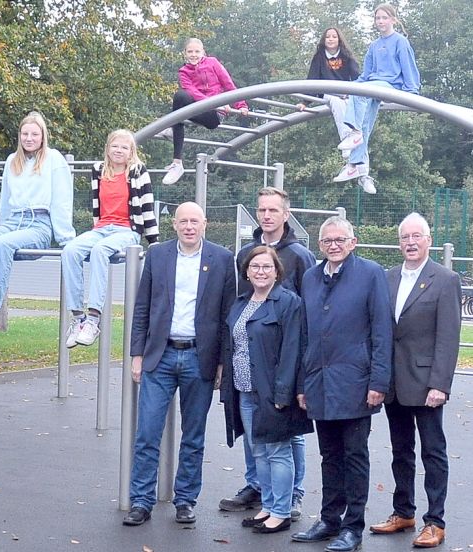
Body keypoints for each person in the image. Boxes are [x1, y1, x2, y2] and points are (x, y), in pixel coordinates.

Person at [122, 202, 235, 527]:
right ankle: (141, 501)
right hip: (160, 355)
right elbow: (142, 306)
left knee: (194, 435)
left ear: (205, 224)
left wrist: (222, 365)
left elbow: (228, 315)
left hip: (200, 357)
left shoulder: (221, 259)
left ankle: (185, 500)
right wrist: (137, 354)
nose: (189, 226)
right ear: (174, 224)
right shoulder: (157, 255)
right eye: (183, 221)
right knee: (147, 434)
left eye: (194, 221)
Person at [292, 216, 392, 552]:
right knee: (328, 454)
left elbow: (381, 330)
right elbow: (305, 333)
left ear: (353, 242)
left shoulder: (370, 273)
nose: (333, 246)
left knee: (354, 455)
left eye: (340, 240)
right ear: (319, 245)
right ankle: (329, 519)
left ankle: (353, 527)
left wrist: (378, 381)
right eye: (327, 241)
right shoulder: (310, 277)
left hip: (356, 383)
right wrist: (303, 384)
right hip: (319, 382)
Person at [220, 187, 316, 518]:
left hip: (280, 365)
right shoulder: (246, 253)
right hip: (250, 365)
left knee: (289, 437)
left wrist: (298, 375)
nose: (266, 215)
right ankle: (260, 488)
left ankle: (293, 493)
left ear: (285, 214)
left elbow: (306, 313)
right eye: (262, 209)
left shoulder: (300, 256)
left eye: (273, 210)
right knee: (255, 436)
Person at [369, 213, 460, 548]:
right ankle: (403, 512)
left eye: (416, 236)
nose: (410, 242)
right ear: (399, 242)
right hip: (394, 383)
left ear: (429, 240)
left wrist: (440, 385)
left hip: (426, 385)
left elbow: (448, 338)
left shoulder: (445, 279)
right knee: (400, 450)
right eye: (405, 237)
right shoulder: (387, 277)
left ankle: (435, 521)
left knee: (433, 452)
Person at [0, 111, 75, 353]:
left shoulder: (53, 159)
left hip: (39, 224)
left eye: (35, 134)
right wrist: (2, 227)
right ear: (19, 136)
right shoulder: (13, 160)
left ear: (43, 136)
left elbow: (62, 199)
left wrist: (66, 240)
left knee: (3, 244)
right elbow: (5, 200)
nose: (29, 138)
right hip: (12, 222)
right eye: (25, 133)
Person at [61, 129, 159, 348]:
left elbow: (146, 205)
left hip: (127, 230)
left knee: (100, 251)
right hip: (102, 227)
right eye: (115, 146)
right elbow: (97, 203)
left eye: (124, 147)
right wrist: (97, 228)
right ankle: (78, 318)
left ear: (131, 151)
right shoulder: (98, 170)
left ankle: (94, 318)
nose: (119, 151)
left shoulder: (137, 171)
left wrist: (154, 241)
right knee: (70, 251)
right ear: (107, 148)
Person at [334, 3, 420, 192]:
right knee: (364, 121)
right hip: (372, 85)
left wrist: (412, 93)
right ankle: (356, 166)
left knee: (361, 93)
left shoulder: (400, 41)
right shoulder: (374, 45)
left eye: (384, 18)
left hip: (390, 85)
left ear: (393, 20)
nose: (380, 21)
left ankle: (354, 134)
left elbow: (408, 66)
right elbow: (366, 74)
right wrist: (350, 87)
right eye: (377, 18)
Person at [159, 38, 248, 186]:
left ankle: (173, 129)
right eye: (190, 51)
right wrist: (209, 103)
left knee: (176, 118)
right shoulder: (184, 72)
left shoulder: (212, 63)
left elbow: (228, 84)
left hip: (214, 115)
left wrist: (241, 105)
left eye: (197, 51)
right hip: (200, 107)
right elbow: (192, 92)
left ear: (203, 52)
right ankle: (177, 162)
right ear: (184, 53)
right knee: (180, 97)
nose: (193, 55)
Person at [294, 28, 372, 194]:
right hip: (329, 94)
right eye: (327, 37)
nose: (330, 39)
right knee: (336, 102)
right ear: (324, 40)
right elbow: (312, 79)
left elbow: (357, 77)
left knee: (361, 124)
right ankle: (346, 140)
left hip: (347, 94)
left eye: (334, 36)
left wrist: (359, 94)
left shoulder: (346, 56)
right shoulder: (319, 57)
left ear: (339, 39)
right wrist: (305, 101)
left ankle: (363, 173)